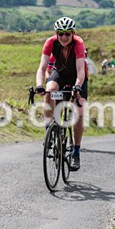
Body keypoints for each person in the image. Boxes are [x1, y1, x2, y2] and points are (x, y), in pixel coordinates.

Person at [34, 16, 88, 171]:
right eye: (61, 33)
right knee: (49, 91)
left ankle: (76, 152)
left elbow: (80, 71)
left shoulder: (78, 43)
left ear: (73, 33)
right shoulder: (50, 42)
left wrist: (77, 86)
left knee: (80, 113)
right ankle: (48, 131)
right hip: (60, 74)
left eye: (67, 34)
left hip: (78, 78)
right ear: (56, 33)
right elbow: (42, 68)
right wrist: (39, 85)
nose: (64, 37)